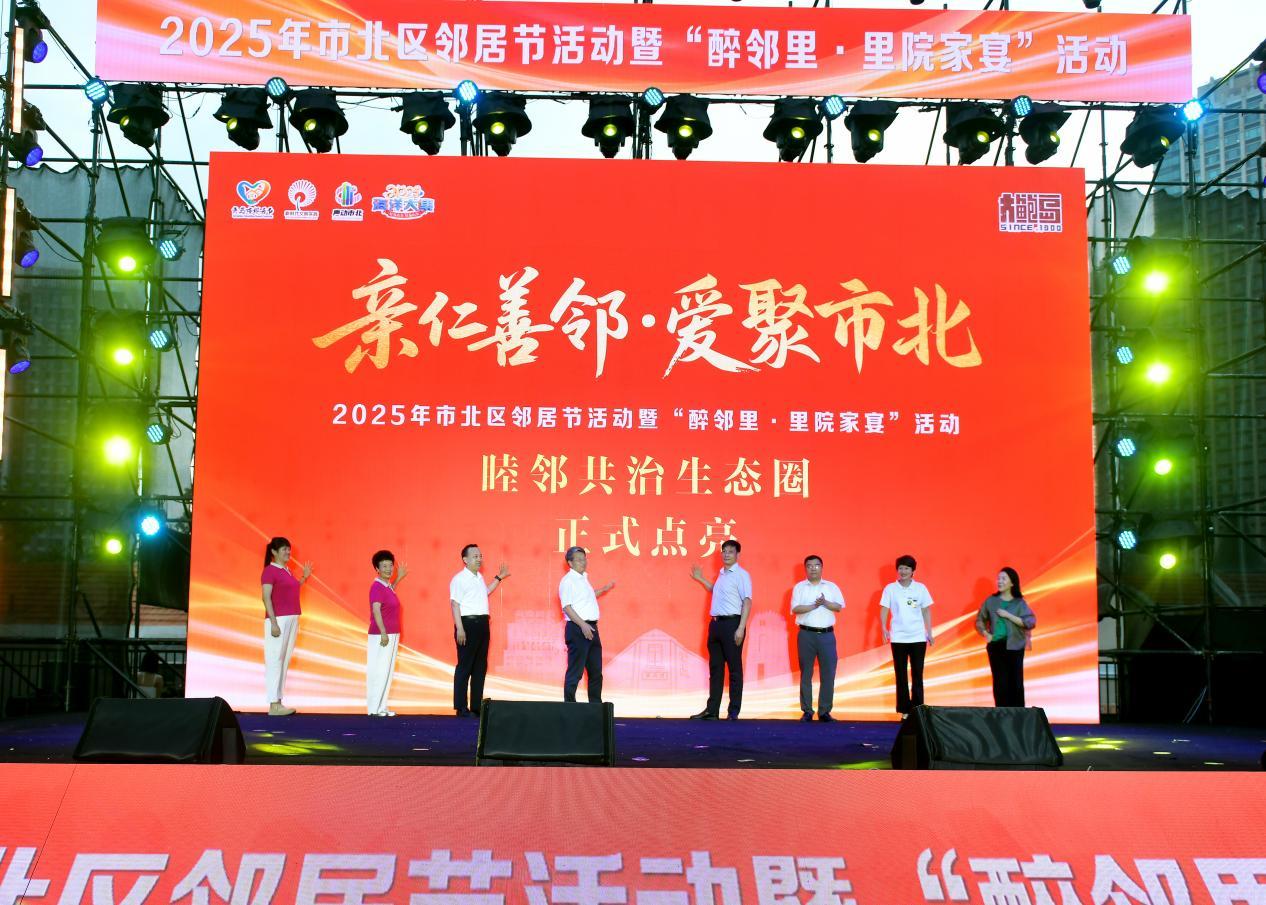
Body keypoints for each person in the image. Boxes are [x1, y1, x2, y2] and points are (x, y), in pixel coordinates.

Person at [690, 538, 752, 720]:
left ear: (737, 554)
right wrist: (700, 578)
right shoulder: (722, 574)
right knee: (716, 669)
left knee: (734, 669)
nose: (726, 554)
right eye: (724, 551)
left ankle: (733, 711)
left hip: (733, 624)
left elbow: (747, 601)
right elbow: (716, 591)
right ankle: (712, 711)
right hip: (716, 625)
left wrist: (741, 628)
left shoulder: (741, 575)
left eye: (730, 551)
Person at [450, 543, 510, 718]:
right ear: (465, 559)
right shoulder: (459, 579)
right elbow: (455, 604)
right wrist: (460, 628)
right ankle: (461, 707)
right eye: (475, 556)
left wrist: (499, 578)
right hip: (467, 625)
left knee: (480, 666)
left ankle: (476, 707)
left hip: (483, 624)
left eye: (480, 556)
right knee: (465, 666)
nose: (479, 559)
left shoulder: (479, 577)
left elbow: (485, 592)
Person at [261, 536, 312, 716]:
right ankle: (273, 704)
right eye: (284, 549)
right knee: (275, 660)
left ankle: (279, 701)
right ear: (274, 552)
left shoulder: (287, 571)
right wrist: (274, 622)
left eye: (289, 549)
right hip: (278, 620)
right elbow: (266, 597)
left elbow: (292, 589)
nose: (288, 552)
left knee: (284, 660)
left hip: (292, 618)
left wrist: (304, 577)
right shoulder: (269, 571)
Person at [789, 554, 844, 722]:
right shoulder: (799, 587)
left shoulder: (831, 587)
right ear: (805, 568)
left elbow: (839, 607)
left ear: (822, 567)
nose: (813, 568)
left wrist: (825, 603)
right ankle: (807, 710)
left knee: (828, 673)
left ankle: (824, 711)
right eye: (809, 566)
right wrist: (814, 605)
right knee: (806, 673)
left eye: (817, 565)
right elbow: (795, 608)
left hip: (827, 635)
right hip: (806, 634)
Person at [880, 554, 935, 716]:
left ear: (913, 571)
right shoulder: (890, 589)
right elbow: (884, 609)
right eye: (900, 568)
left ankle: (917, 709)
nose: (903, 571)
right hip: (898, 637)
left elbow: (926, 610)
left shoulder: (920, 588)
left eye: (906, 568)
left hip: (917, 637)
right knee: (901, 674)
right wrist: (883, 628)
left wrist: (929, 632)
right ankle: (904, 710)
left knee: (918, 674)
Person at [974, 566, 1036, 707]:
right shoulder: (991, 601)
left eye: (1003, 578)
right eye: (998, 578)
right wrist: (986, 633)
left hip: (1015, 646)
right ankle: (1002, 715)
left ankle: (1018, 715)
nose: (999, 581)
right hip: (996, 646)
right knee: (1000, 684)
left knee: (1016, 683)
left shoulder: (1019, 603)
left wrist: (1009, 616)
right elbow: (979, 620)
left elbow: (1030, 622)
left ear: (1012, 583)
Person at [559, 546, 615, 703]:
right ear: (570, 563)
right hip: (578, 628)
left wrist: (604, 589)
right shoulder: (568, 581)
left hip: (591, 628)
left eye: (584, 559)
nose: (583, 562)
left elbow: (586, 597)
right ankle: (570, 707)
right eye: (579, 560)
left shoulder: (583, 579)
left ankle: (595, 707)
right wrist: (583, 625)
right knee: (575, 671)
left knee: (596, 671)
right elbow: (567, 607)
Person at [367, 549, 408, 716]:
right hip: (381, 635)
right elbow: (376, 610)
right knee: (379, 671)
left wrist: (399, 578)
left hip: (392, 633)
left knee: (387, 671)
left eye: (390, 565)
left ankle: (382, 707)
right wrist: (383, 632)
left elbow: (389, 595)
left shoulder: (386, 587)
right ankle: (373, 709)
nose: (388, 569)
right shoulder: (376, 586)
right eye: (384, 566)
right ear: (377, 569)